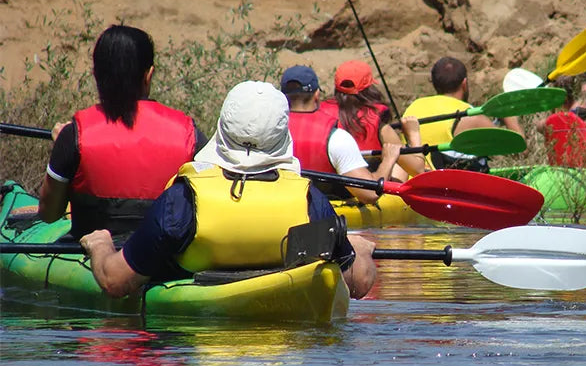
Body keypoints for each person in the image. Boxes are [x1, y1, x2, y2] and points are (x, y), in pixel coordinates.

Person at [79, 81, 378, 299]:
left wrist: (100, 245)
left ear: (223, 127)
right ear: (282, 135)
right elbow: (358, 283)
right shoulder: (310, 201)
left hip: (197, 360)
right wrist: (361, 251)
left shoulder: (183, 201)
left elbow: (114, 281)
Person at [37, 24, 206, 238]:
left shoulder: (74, 135)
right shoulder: (190, 134)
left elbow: (49, 214)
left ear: (96, 76)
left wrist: (62, 148)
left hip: (92, 257)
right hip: (166, 262)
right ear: (148, 75)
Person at [279, 65, 402, 205]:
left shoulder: (268, 131)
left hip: (281, 206)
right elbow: (370, 193)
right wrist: (388, 159)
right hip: (325, 212)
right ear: (317, 95)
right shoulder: (336, 137)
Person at [402, 56, 524, 172]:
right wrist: (509, 116)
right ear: (464, 83)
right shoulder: (470, 116)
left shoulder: (414, 106)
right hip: (439, 189)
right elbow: (519, 151)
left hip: (409, 183)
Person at [321, 60, 425, 181]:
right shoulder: (379, 126)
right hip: (369, 190)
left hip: (329, 188)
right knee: (397, 157)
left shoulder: (320, 112)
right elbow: (418, 170)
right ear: (370, 88)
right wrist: (413, 135)